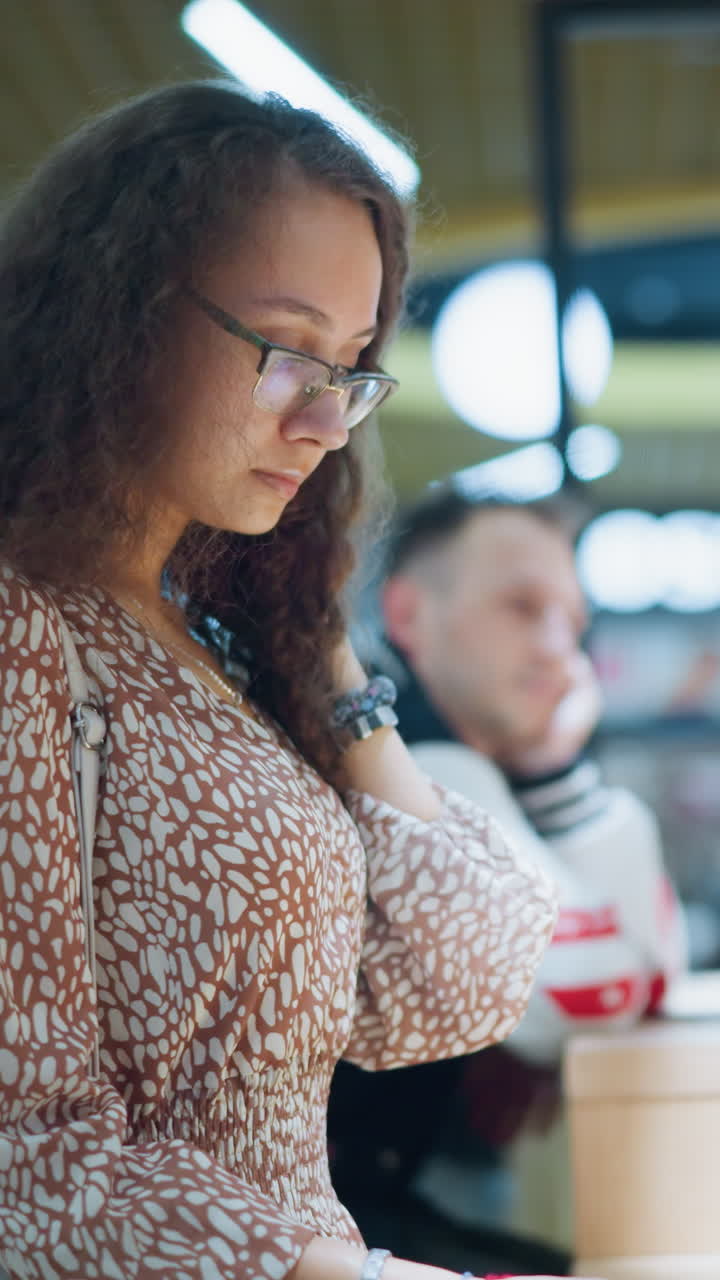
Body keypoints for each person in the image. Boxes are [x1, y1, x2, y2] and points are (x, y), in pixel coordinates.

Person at [0, 83, 561, 1280]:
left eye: (353, 366)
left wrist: (320, 647)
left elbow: (460, 975)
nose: (323, 418)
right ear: (117, 312)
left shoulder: (217, 641)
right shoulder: (29, 628)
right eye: (287, 349)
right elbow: (25, 1153)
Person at [330, 489, 686, 1257]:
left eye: (575, 623)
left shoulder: (471, 758)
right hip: (301, 1228)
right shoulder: (413, 756)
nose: (561, 648)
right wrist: (558, 769)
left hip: (365, 1203)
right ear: (407, 618)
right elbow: (600, 996)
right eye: (522, 608)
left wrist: (552, 772)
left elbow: (654, 970)